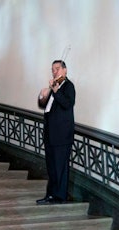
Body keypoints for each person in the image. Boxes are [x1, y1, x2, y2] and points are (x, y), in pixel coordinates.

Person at [36, 60, 76, 205]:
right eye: (52, 69)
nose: (54, 72)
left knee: (60, 166)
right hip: (50, 134)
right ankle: (50, 195)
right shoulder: (54, 87)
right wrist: (42, 96)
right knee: (51, 167)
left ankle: (59, 196)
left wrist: (56, 90)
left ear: (65, 70)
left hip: (62, 135)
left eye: (57, 69)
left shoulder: (68, 86)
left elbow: (67, 104)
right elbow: (43, 106)